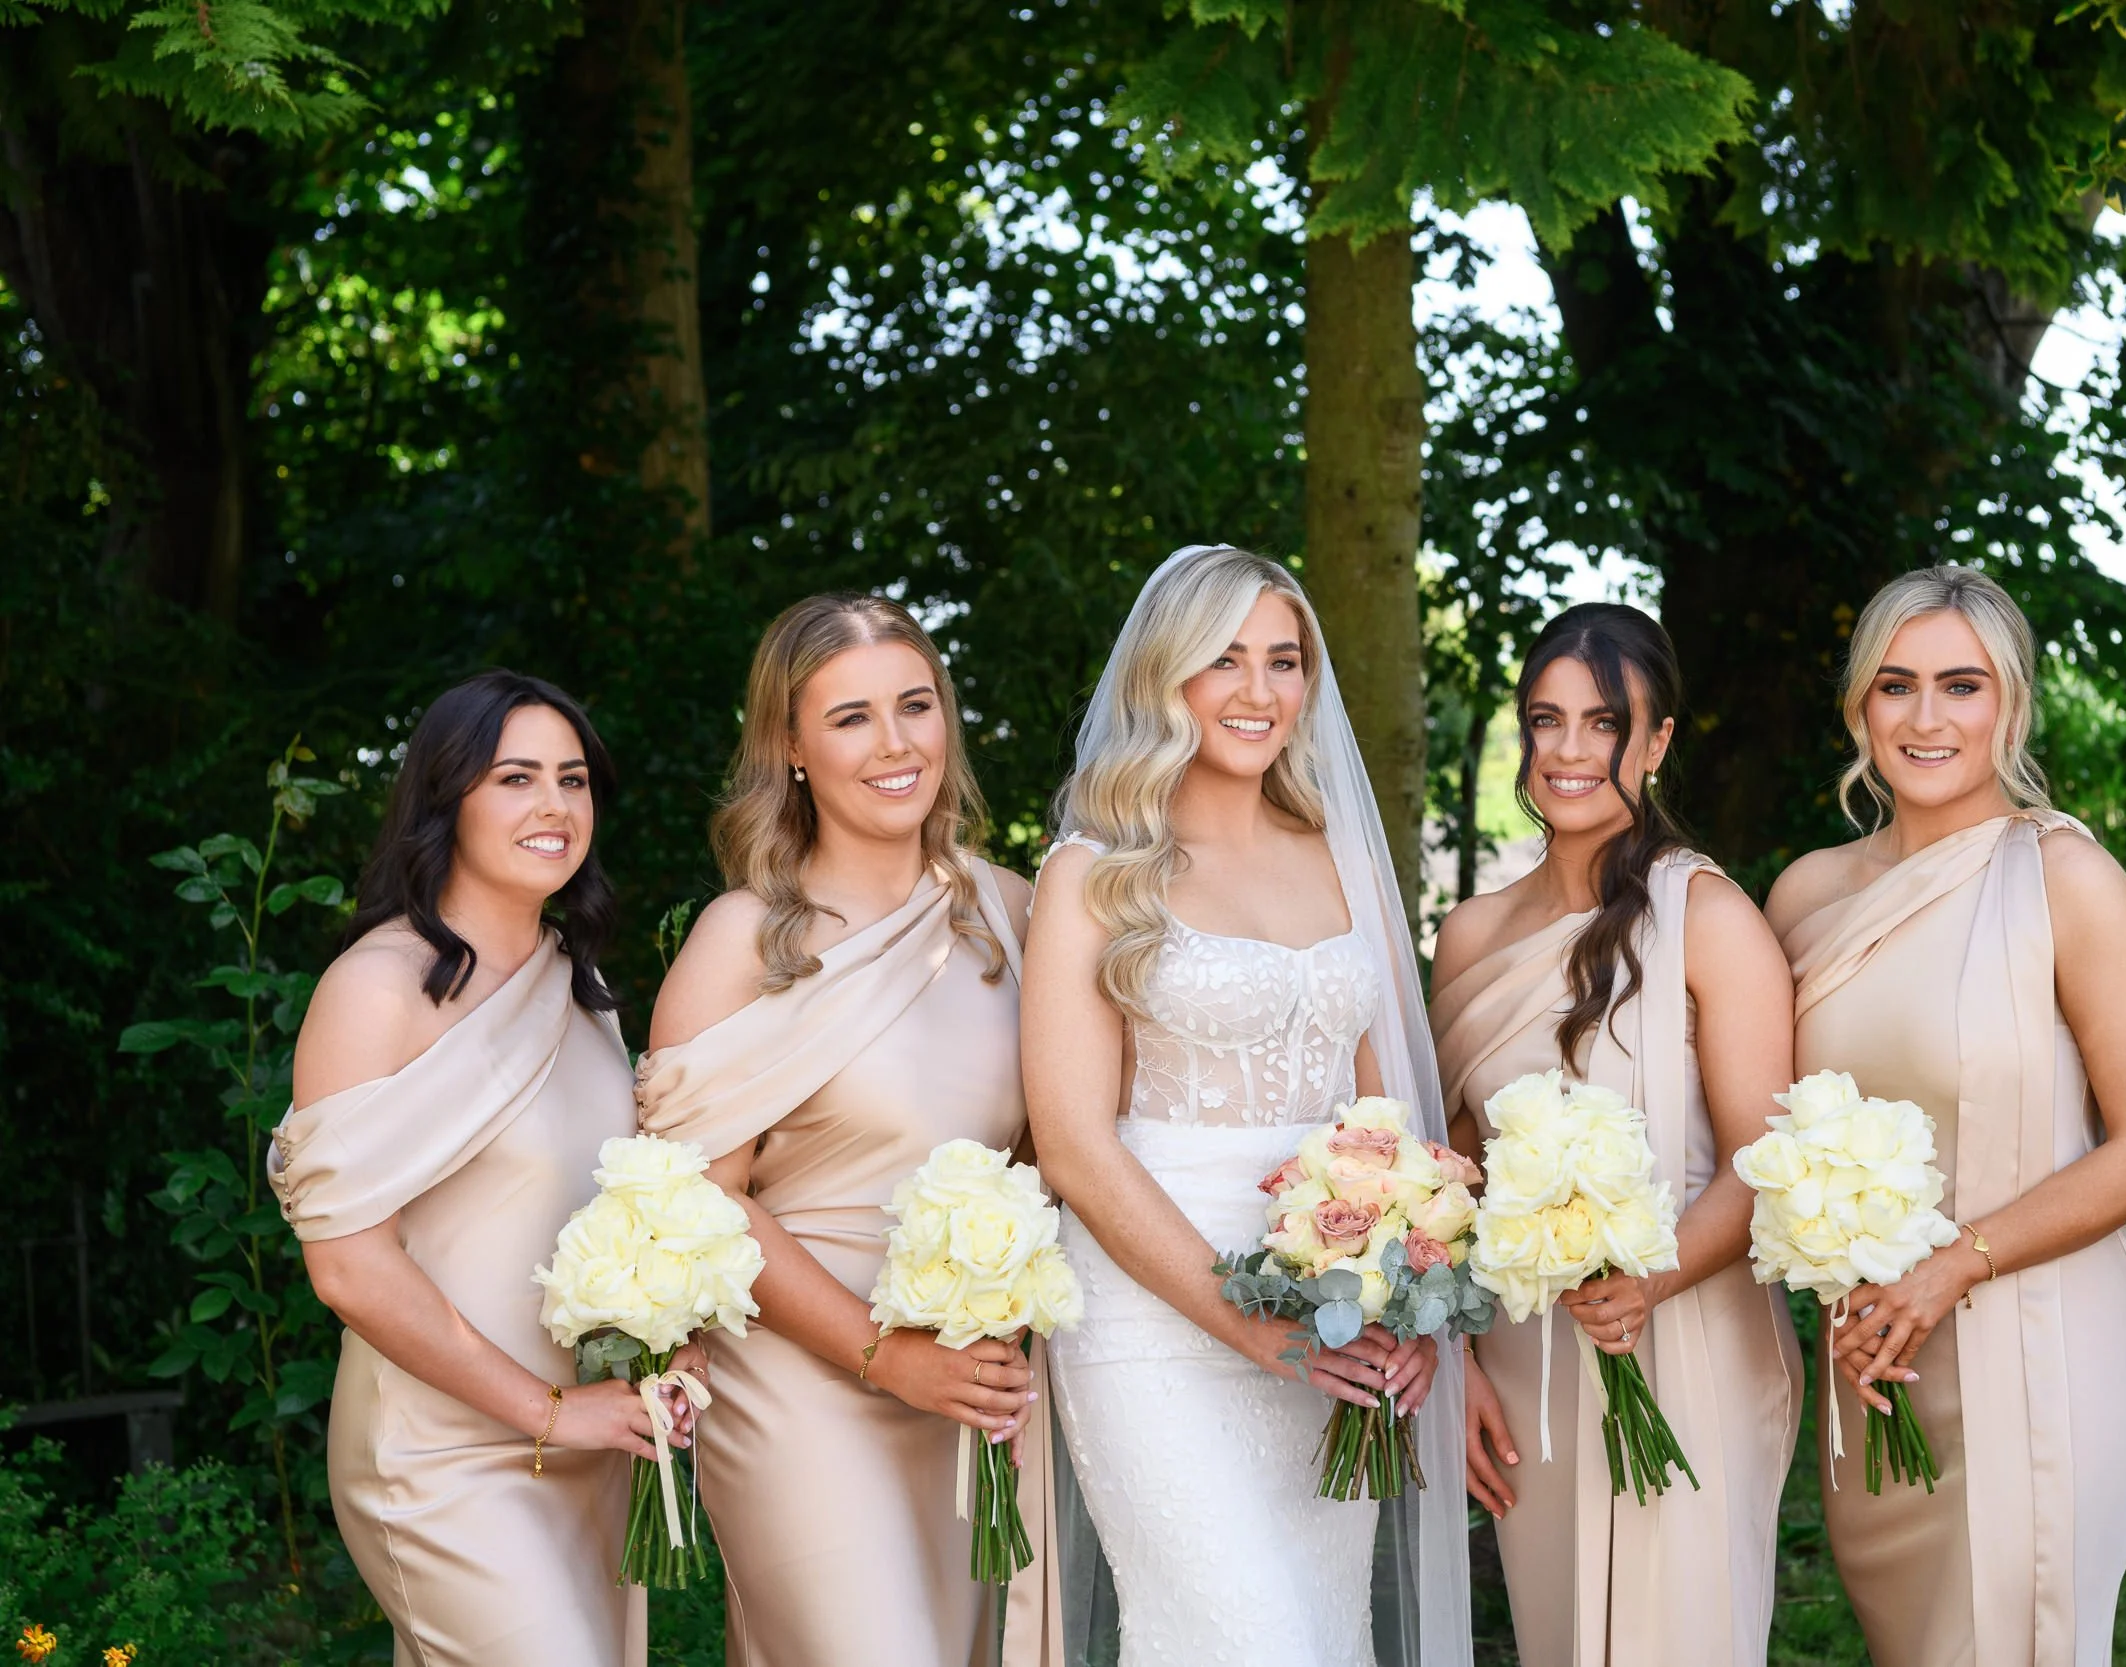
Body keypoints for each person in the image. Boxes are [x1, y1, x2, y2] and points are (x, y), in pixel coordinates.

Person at [1021, 545, 1471, 1667]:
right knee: (1240, 1634)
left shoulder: (1337, 855)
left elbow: (1389, 1121)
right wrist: (1247, 1324)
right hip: (1153, 1315)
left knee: (1319, 1633)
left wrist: (1409, 1307)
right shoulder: (1093, 871)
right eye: (1224, 659)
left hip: (1333, 1307)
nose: (1261, 691)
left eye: (1285, 659)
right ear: (1165, 675)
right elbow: (1075, 1146)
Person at [1763, 564, 2126, 1667]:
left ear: (2009, 702)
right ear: (1859, 705)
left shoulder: (2067, 878)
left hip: (2045, 1349)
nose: (1925, 718)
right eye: (1895, 684)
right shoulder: (1804, 894)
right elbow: (1762, 1129)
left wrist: (1951, 1266)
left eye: (1960, 685)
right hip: (1874, 1361)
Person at [638, 594, 1053, 1667]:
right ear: (792, 746)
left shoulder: (1016, 913)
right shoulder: (744, 939)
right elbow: (695, 1199)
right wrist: (882, 1354)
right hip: (801, 1378)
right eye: (852, 716)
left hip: (966, 1386)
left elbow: (1064, 1151)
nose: (896, 741)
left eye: (915, 705)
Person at [274, 670, 697, 1666]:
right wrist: (546, 1408)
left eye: (573, 777)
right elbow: (346, 1265)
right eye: (515, 777)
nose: (554, 803)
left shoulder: (579, 988)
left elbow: (611, 1211)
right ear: (446, 799)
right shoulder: (377, 987)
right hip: (442, 1454)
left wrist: (670, 1346)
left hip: (589, 1441)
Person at [1432, 601, 1802, 1667]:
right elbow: (1449, 1173)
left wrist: (1651, 1279)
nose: (1569, 750)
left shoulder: (1709, 917)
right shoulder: (1469, 934)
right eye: (1546, 720)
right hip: (1526, 1348)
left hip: (1683, 1335)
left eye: (1603, 723)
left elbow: (1756, 1157)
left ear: (1657, 740)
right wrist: (1459, 1362)